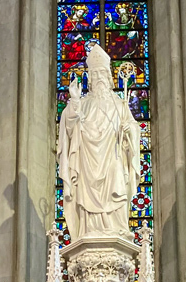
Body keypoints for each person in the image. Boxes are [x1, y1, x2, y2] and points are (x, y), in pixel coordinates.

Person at [57, 42, 141, 243]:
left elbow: (133, 128)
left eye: (102, 74)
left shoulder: (119, 104)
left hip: (113, 159)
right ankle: (88, 230)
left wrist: (129, 131)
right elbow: (69, 124)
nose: (99, 78)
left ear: (109, 77)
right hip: (87, 165)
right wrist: (74, 101)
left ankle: (118, 229)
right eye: (95, 75)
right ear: (90, 79)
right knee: (86, 199)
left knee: (117, 187)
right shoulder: (83, 103)